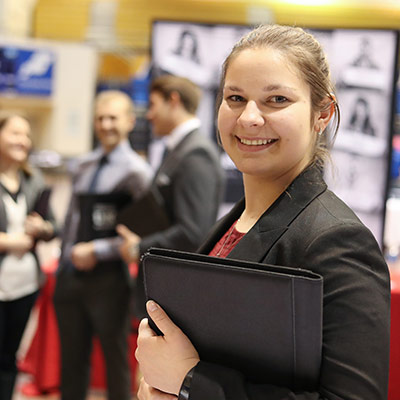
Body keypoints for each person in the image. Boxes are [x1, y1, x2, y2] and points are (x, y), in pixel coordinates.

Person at [134, 25, 390, 400]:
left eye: (277, 100)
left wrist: (191, 383)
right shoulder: (230, 226)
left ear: (323, 113)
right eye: (235, 97)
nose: (249, 118)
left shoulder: (337, 242)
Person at [53, 90, 153, 400]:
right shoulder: (82, 165)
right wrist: (63, 262)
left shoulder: (138, 173)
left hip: (109, 279)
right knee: (70, 359)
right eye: (100, 118)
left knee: (114, 358)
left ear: (128, 122)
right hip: (70, 276)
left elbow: (143, 231)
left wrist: (97, 251)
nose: (105, 124)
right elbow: (72, 218)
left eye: (112, 117)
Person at [117, 75, 225, 317]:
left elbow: (193, 232)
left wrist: (140, 247)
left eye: (153, 105)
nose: (149, 114)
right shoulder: (181, 149)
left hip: (176, 293)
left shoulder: (196, 153)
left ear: (173, 100)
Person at [0, 112, 56, 400]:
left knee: (10, 358)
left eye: (26, 135)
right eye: (15, 133)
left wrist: (42, 227)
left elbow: (52, 227)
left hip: (24, 285)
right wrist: (11, 241)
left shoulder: (33, 179)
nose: (23, 140)